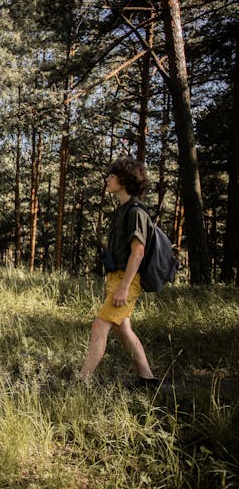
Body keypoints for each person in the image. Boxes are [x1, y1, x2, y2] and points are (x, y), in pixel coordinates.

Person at [78, 157, 159, 386]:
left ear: (123, 180)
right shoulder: (124, 209)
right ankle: (147, 378)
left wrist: (124, 287)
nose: (107, 179)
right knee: (123, 329)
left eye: (111, 176)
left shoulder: (136, 212)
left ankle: (81, 382)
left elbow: (138, 253)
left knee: (99, 326)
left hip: (128, 280)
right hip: (117, 277)